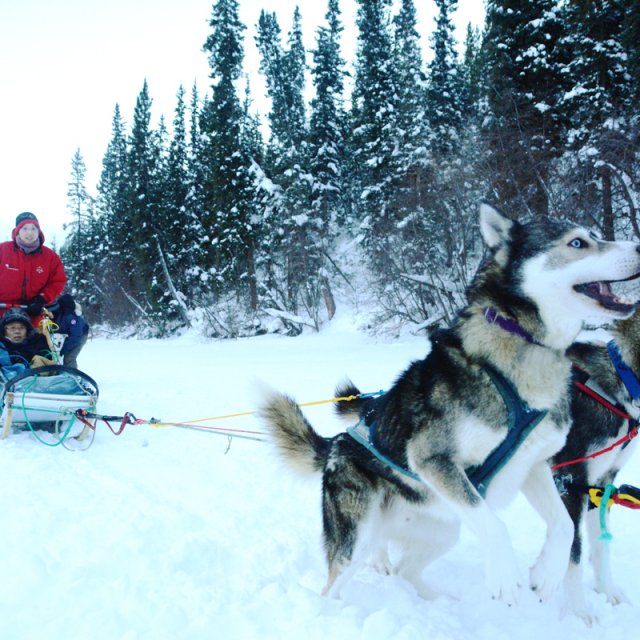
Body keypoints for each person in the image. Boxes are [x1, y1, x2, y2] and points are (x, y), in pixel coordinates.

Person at [0, 211, 66, 327]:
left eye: (33, 229)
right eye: (25, 228)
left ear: (39, 231)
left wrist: (42, 299)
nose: (29, 233)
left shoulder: (50, 257)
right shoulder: (3, 250)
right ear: (17, 231)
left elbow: (58, 281)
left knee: (39, 341)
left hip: (34, 311)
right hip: (2, 308)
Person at [53, 294, 89, 369]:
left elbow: (76, 337)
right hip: (66, 336)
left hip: (80, 336)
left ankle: (73, 376)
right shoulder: (59, 313)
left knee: (69, 358)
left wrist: (63, 349)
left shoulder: (73, 318)